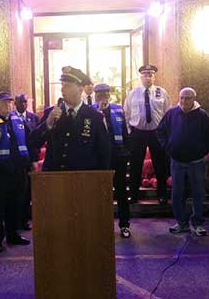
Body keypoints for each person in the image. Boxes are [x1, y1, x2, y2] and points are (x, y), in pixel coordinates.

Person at [0, 92, 36, 253]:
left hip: (19, 172)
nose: (8, 106)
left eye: (10, 103)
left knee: (15, 206)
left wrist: (32, 161)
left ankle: (13, 235)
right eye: (4, 103)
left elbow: (30, 141)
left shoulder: (20, 121)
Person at [157, 87, 209, 236]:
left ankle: (197, 224)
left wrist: (202, 151)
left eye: (188, 98)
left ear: (194, 99)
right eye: (182, 98)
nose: (184, 101)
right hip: (176, 161)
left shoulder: (202, 116)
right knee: (177, 193)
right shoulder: (171, 113)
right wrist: (168, 147)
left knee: (198, 193)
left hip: (196, 162)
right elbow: (160, 131)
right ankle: (181, 223)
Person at [30, 66, 111, 172]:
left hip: (82, 180)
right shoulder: (52, 113)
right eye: (62, 85)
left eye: (67, 86)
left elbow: (104, 152)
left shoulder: (95, 117)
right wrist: (47, 124)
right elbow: (33, 143)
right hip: (55, 179)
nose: (62, 89)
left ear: (80, 89)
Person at [123, 64, 172, 205]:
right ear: (141, 76)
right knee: (135, 165)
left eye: (150, 74)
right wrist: (129, 132)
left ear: (154, 76)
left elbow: (168, 113)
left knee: (160, 165)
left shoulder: (161, 92)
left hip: (156, 133)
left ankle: (162, 195)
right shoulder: (133, 93)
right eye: (145, 74)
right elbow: (126, 114)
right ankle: (134, 195)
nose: (148, 77)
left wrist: (165, 133)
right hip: (137, 133)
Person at [94, 83, 132, 238]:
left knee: (121, 192)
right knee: (101, 193)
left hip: (118, 157)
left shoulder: (118, 109)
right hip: (99, 159)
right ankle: (102, 225)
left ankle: (124, 225)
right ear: (95, 96)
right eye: (99, 95)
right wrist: (99, 112)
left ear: (109, 95)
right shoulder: (91, 112)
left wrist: (127, 152)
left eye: (105, 94)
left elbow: (124, 132)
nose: (103, 97)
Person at [13, 93, 40, 230]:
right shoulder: (10, 118)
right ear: (15, 103)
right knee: (16, 192)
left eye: (25, 102)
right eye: (20, 102)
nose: (23, 104)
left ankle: (24, 220)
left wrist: (34, 160)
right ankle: (15, 221)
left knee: (26, 192)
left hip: (29, 160)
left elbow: (36, 141)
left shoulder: (34, 118)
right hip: (15, 162)